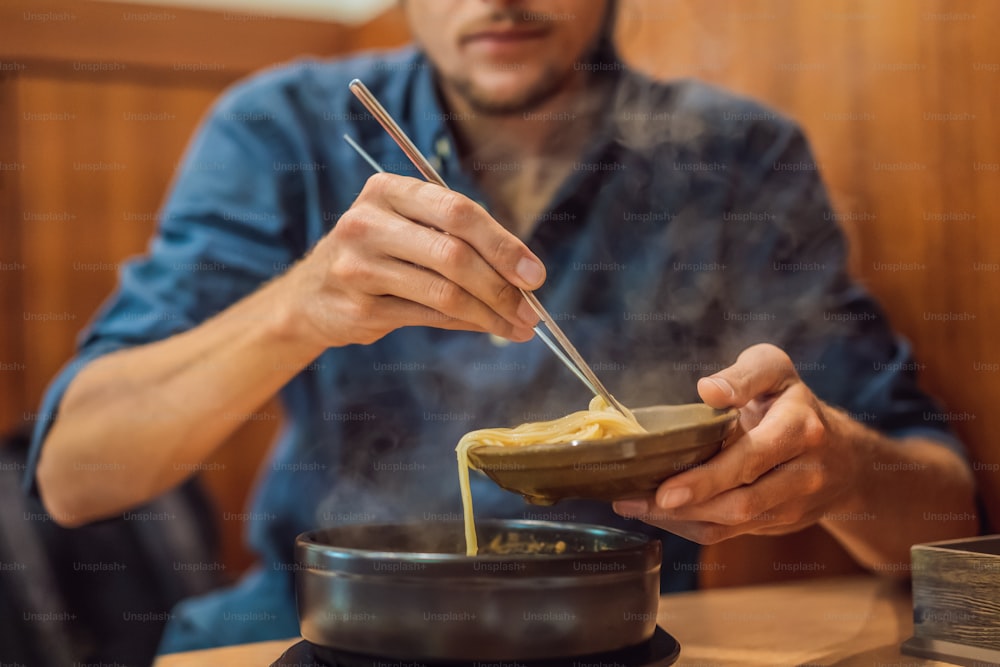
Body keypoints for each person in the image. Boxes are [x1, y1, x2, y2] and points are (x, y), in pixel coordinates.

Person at [27, 0, 976, 654]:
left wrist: (837, 466)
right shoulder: (280, 130)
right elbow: (75, 475)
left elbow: (945, 515)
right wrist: (297, 306)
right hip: (317, 625)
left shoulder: (736, 155)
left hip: (609, 632)